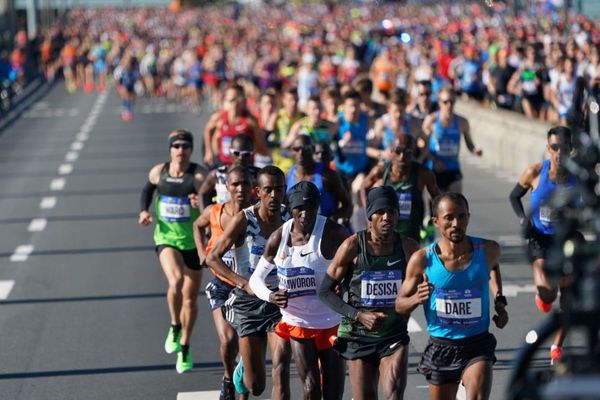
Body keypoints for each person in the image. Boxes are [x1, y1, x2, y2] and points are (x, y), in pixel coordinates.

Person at [396, 192, 508, 400]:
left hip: (477, 344)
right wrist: (415, 299)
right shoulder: (422, 260)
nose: (456, 223)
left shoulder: (488, 249)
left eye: (462, 216)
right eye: (449, 218)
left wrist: (499, 301)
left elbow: (492, 267)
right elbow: (400, 305)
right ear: (436, 221)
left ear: (468, 217)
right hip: (441, 347)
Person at [319, 186, 420, 400]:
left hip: (393, 334)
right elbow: (324, 291)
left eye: (392, 211)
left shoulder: (409, 247)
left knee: (393, 394)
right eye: (380, 212)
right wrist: (359, 315)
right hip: (358, 337)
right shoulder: (352, 246)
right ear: (370, 216)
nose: (387, 217)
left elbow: (428, 284)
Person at [250, 181, 349, 400]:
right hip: (298, 321)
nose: (305, 215)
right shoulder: (279, 238)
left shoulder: (333, 232)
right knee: (311, 386)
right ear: (289, 208)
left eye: (311, 209)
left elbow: (358, 260)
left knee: (333, 392)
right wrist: (270, 296)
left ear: (318, 207)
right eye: (299, 209)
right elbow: (256, 279)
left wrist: (346, 282)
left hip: (331, 320)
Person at [206, 166, 291, 399]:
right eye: (269, 190)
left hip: (280, 301)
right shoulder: (244, 220)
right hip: (250, 302)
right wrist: (243, 283)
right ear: (258, 192)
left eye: (280, 190)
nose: (275, 195)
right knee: (255, 387)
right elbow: (211, 258)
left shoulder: (290, 218)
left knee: (281, 365)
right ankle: (243, 367)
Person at [508, 126, 577, 365]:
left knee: (569, 298)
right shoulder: (535, 172)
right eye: (555, 147)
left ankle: (557, 347)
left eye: (565, 148)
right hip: (539, 238)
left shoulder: (578, 177)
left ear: (572, 149)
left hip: (566, 238)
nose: (560, 152)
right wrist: (522, 219)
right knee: (549, 292)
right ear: (548, 148)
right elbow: (514, 196)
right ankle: (545, 295)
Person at [138, 130, 205, 373]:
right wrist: (144, 212)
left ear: (191, 149)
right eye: (176, 146)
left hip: (193, 243)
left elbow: (212, 203)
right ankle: (175, 326)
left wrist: (201, 202)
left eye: (186, 146)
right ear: (170, 149)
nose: (181, 150)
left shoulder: (199, 176)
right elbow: (147, 191)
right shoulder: (159, 172)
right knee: (175, 281)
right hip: (166, 238)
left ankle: (185, 346)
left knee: (190, 300)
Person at [193, 167, 253, 400]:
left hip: (249, 288)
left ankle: (242, 392)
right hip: (222, 284)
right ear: (226, 187)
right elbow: (197, 226)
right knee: (228, 341)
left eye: (245, 184)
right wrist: (201, 252)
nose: (240, 189)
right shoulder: (214, 212)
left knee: (246, 349)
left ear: (252, 188)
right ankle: (228, 379)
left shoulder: (259, 216)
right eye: (235, 184)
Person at [364, 134, 440, 242]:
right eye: (398, 151)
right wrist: (369, 215)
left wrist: (432, 222)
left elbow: (437, 199)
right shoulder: (381, 171)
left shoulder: (423, 173)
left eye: (407, 152)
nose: (402, 157)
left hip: (411, 232)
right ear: (391, 151)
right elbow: (364, 187)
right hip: (385, 230)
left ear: (413, 152)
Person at [422, 87, 483, 193]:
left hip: (453, 168)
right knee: (436, 206)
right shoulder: (431, 121)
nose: (449, 105)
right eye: (445, 102)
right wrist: (434, 160)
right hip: (435, 169)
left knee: (456, 204)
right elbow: (423, 147)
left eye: (452, 102)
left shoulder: (462, 122)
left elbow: (469, 143)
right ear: (439, 103)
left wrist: (475, 150)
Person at [286, 135, 352, 221]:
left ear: (313, 150)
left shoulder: (327, 175)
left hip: (325, 231)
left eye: (305, 149)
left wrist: (330, 220)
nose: (301, 153)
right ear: (292, 151)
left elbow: (347, 206)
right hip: (298, 231)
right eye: (296, 149)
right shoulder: (287, 176)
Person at [203, 83, 269, 167]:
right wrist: (208, 151)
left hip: (244, 167)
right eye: (231, 100)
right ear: (226, 101)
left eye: (238, 99)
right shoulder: (219, 117)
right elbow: (207, 129)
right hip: (224, 164)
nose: (235, 103)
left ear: (244, 101)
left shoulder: (250, 121)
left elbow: (263, 150)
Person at [199, 134, 259, 208]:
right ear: (230, 151)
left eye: (245, 154)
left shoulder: (258, 175)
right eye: (236, 153)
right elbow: (202, 193)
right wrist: (206, 215)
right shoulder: (218, 174)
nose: (241, 157)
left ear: (252, 153)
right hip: (222, 218)